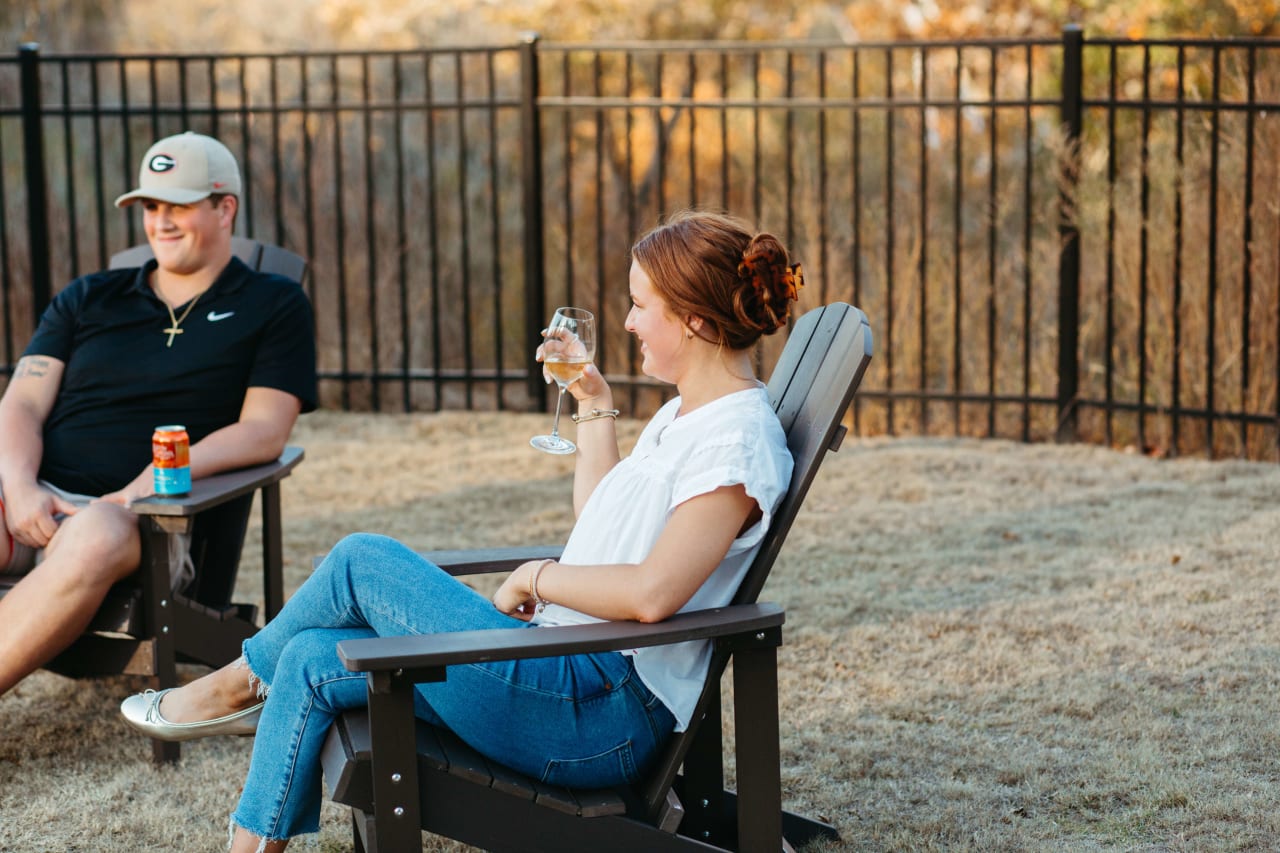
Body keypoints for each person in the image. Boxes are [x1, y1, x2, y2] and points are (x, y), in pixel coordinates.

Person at [120, 209, 804, 853]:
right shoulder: (686, 415)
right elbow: (600, 518)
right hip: (559, 667)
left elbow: (655, 593)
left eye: (639, 305)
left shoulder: (735, 443)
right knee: (308, 659)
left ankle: (235, 681)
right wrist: (595, 404)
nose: (627, 322)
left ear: (692, 320)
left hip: (594, 711)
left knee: (362, 559)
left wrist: (537, 575)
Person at [0, 131, 318, 697]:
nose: (161, 222)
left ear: (225, 209)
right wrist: (21, 487)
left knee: (94, 533)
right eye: (151, 206)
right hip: (37, 503)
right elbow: (22, 400)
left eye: (180, 206)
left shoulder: (272, 304)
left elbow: (264, 431)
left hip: (145, 522)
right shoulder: (89, 297)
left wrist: (143, 488)